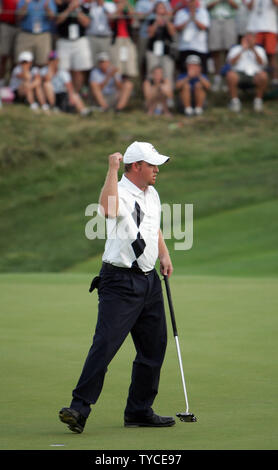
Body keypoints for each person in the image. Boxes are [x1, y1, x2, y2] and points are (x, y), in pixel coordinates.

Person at [59, 141, 175, 433]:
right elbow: (107, 210)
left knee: (154, 347)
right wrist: (111, 168)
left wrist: (163, 253)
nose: (157, 170)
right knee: (105, 345)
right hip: (120, 282)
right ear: (136, 166)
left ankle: (139, 410)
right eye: (152, 165)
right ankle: (78, 408)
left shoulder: (153, 193)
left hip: (149, 281)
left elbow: (153, 226)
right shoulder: (119, 191)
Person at [55, 0, 93, 92]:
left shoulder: (83, 7)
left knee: (79, 69)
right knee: (63, 69)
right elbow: (57, 21)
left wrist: (76, 10)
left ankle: (76, 94)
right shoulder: (61, 6)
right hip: (64, 40)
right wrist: (69, 9)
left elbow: (86, 23)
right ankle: (65, 94)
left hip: (79, 40)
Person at [225, 32, 268, 112]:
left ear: (255, 40)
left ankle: (258, 101)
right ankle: (235, 102)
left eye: (251, 38)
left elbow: (262, 63)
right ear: (242, 39)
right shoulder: (235, 49)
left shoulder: (260, 49)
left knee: (263, 75)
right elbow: (231, 63)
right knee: (230, 75)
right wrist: (242, 50)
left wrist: (253, 50)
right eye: (247, 38)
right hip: (239, 74)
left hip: (255, 75)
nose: (249, 40)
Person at [41, 50, 92, 115]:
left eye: (54, 60)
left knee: (74, 94)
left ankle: (83, 111)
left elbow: (69, 86)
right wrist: (50, 70)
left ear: (58, 61)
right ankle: (53, 106)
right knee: (47, 84)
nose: (53, 62)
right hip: (48, 95)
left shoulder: (63, 72)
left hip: (61, 95)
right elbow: (46, 79)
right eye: (51, 60)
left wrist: (71, 97)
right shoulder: (44, 71)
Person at [206, 0, 240, 92]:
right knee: (215, 50)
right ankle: (217, 77)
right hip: (214, 19)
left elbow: (237, 6)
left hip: (229, 20)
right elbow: (206, 6)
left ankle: (227, 77)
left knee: (229, 51)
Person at [15, 0, 56, 67]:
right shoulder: (24, 1)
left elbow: (52, 18)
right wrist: (26, 4)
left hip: (43, 35)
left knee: (42, 63)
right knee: (22, 63)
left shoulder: (48, 1)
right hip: (26, 34)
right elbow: (18, 18)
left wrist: (47, 8)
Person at [245, 0, 278, 84]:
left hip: (270, 28)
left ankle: (274, 79)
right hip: (254, 28)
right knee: (254, 53)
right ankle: (255, 78)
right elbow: (249, 7)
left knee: (271, 54)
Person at [174, 0, 210, 74]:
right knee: (184, 72)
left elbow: (204, 27)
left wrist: (194, 19)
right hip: (184, 47)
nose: (192, 3)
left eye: (193, 1)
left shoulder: (202, 12)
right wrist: (188, 20)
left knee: (201, 72)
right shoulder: (180, 13)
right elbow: (177, 28)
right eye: (190, 1)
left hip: (200, 48)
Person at [145, 1, 176, 86]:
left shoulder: (170, 20)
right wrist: (156, 22)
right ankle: (151, 94)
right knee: (152, 72)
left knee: (167, 73)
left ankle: (168, 96)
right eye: (159, 8)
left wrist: (166, 21)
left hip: (167, 50)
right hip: (153, 50)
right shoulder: (151, 20)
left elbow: (172, 33)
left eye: (163, 8)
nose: (161, 10)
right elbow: (150, 34)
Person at [108, 0, 138, 78]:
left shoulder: (127, 13)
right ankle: (118, 83)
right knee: (117, 64)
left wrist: (127, 3)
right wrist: (119, 9)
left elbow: (133, 16)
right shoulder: (113, 13)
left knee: (129, 64)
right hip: (117, 41)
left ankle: (127, 84)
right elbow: (111, 19)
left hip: (128, 40)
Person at [86, 0, 113, 66]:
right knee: (92, 62)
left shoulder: (110, 5)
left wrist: (103, 6)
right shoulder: (90, 5)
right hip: (92, 37)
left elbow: (112, 19)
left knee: (105, 61)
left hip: (105, 38)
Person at [0, 0, 19, 86]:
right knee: (3, 56)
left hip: (19, 27)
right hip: (6, 25)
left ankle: (11, 84)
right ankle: (1, 82)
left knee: (15, 59)